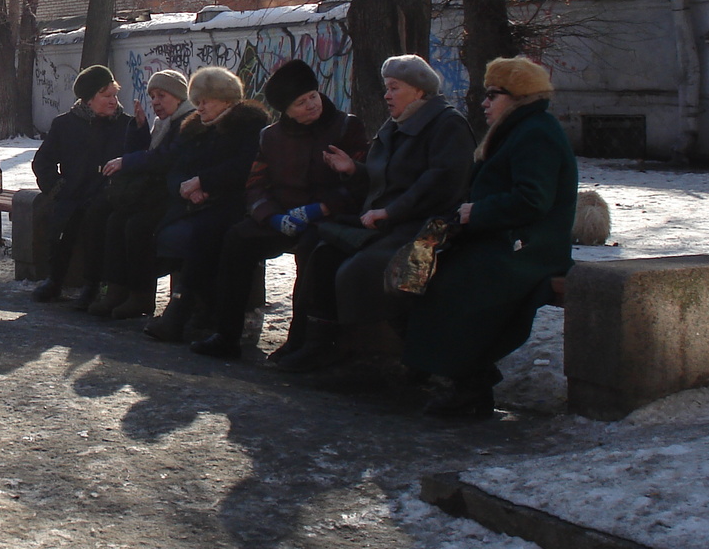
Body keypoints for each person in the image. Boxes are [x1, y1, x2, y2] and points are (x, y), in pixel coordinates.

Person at [402, 56, 577, 418]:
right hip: (501, 237)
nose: (484, 102)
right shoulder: (515, 129)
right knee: (418, 270)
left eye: (492, 95)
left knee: (457, 283)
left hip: (530, 246)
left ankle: (470, 383)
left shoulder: (537, 132)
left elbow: (533, 199)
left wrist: (477, 212)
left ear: (516, 97)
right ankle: (439, 365)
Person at [275, 55, 474, 372]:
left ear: (419, 91)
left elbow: (439, 184)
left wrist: (389, 212)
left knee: (360, 271)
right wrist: (354, 170)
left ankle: (381, 359)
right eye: (387, 88)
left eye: (394, 88)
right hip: (391, 222)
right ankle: (318, 344)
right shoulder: (397, 124)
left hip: (427, 228)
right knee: (323, 251)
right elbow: (386, 178)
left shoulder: (447, 124)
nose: (387, 95)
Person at [187, 59, 368, 360]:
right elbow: (256, 183)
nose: (311, 105)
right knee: (237, 239)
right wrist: (271, 216)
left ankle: (299, 340)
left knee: (313, 249)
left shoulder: (347, 126)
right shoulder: (271, 136)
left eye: (312, 96)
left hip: (327, 218)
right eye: (300, 103)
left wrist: (320, 208)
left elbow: (358, 185)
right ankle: (226, 334)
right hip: (282, 215)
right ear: (286, 110)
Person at [144, 67, 268, 340]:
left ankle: (180, 311)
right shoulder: (195, 127)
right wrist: (187, 188)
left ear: (226, 100)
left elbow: (243, 167)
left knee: (204, 234)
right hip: (195, 202)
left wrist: (204, 182)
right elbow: (178, 165)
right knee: (153, 226)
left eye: (205, 101)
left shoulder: (248, 124)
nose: (199, 108)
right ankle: (194, 308)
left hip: (234, 202)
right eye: (196, 101)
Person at [79, 69, 197, 317]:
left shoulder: (188, 122)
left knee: (138, 226)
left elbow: (165, 159)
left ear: (178, 97)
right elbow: (145, 153)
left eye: (161, 96)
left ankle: (141, 296)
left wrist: (127, 161)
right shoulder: (163, 124)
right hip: (154, 195)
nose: (155, 102)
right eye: (152, 96)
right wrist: (140, 128)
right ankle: (116, 291)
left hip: (175, 198)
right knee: (115, 221)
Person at [30, 66, 132, 304]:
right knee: (61, 220)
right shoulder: (65, 124)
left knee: (96, 222)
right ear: (88, 99)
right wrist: (56, 187)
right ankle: (54, 279)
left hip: (108, 195)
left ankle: (93, 284)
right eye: (106, 96)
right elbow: (43, 162)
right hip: (73, 192)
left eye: (114, 95)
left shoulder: (126, 125)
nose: (113, 101)